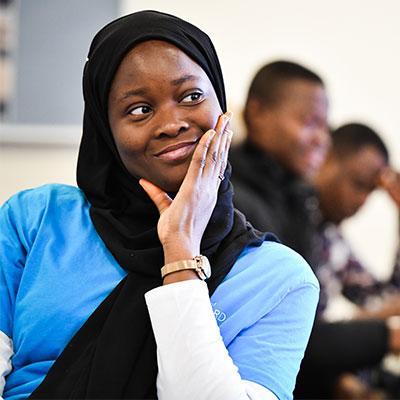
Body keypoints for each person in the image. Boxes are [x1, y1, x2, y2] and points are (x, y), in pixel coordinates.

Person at [0, 11, 319, 400]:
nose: (171, 123)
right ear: (105, 130)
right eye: (139, 109)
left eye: (191, 96)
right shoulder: (36, 219)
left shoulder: (279, 278)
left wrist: (181, 250)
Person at [306, 123, 400, 398]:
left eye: (371, 191)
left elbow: (387, 299)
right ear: (325, 158)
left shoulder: (332, 240)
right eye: (358, 184)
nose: (362, 200)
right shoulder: (292, 226)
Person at [229, 60, 330, 265]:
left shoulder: (296, 197)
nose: (322, 139)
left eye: (325, 126)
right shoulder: (227, 197)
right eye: (310, 122)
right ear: (258, 113)